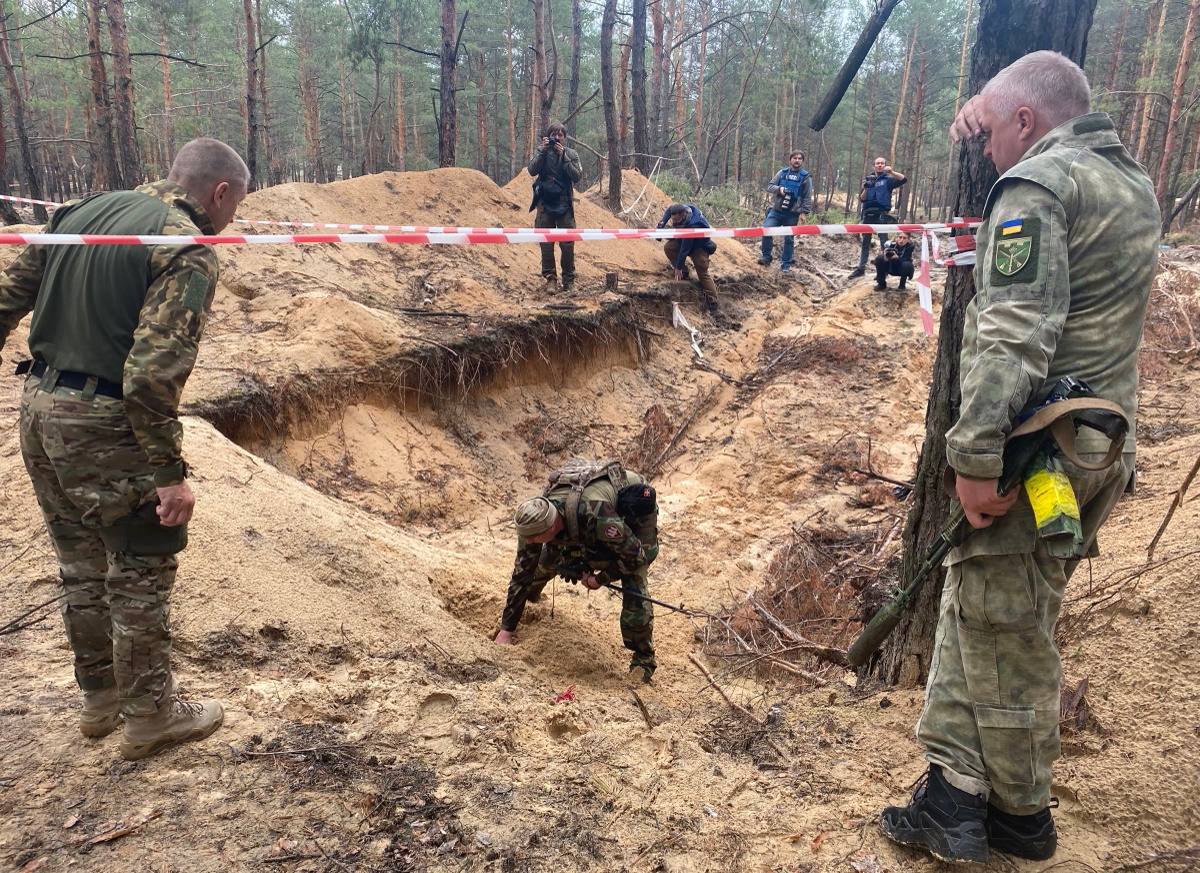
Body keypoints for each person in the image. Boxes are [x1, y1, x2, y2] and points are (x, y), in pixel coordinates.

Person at [878, 52, 1160, 864]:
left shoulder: (1039, 187)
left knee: (1008, 623)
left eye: (994, 131)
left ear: (1028, 123)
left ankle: (1021, 814)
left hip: (1037, 447)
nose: (988, 153)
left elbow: (1013, 331)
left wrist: (971, 453)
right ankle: (958, 796)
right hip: (1096, 442)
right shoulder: (1125, 181)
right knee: (983, 603)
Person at [0, 137, 250, 761]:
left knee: (80, 564)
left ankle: (100, 698)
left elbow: (4, 301)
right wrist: (169, 471)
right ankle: (149, 715)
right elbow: (151, 374)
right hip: (108, 424)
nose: (232, 221)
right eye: (235, 207)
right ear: (219, 193)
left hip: (39, 408)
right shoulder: (185, 246)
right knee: (139, 567)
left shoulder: (77, 215)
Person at [494, 460, 659, 681]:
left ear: (551, 527)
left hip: (634, 505)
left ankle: (643, 660)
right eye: (528, 538)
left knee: (634, 581)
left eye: (535, 539)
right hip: (584, 521)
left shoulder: (596, 511)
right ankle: (531, 598)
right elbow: (522, 571)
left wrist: (601, 579)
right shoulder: (533, 521)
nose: (530, 542)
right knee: (544, 561)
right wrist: (507, 629)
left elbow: (635, 556)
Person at [527, 121, 583, 293]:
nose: (557, 138)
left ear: (565, 138)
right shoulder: (541, 151)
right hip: (544, 204)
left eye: (560, 135)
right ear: (548, 136)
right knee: (546, 243)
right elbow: (531, 170)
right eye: (554, 134)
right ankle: (550, 278)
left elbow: (577, 176)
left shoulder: (571, 154)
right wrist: (543, 152)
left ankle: (569, 281)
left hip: (564, 204)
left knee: (567, 244)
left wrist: (564, 157)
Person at [849, 156, 906, 278]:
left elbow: (903, 179)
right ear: (873, 165)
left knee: (884, 244)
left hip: (881, 214)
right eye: (877, 163)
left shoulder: (888, 180)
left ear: (884, 165)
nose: (879, 165)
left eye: (882, 163)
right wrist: (866, 188)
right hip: (868, 214)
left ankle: (884, 271)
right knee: (865, 243)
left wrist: (891, 172)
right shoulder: (869, 179)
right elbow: (862, 199)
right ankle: (861, 268)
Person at [758, 150, 814, 274]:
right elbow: (770, 186)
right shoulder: (782, 173)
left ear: (802, 161)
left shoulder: (805, 177)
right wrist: (780, 189)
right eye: (795, 158)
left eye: (800, 158)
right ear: (790, 160)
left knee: (789, 238)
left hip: (793, 214)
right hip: (776, 211)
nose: (797, 160)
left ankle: (785, 265)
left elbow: (807, 196)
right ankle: (766, 257)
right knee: (766, 230)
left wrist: (804, 213)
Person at [656, 203, 719, 311]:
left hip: (700, 247)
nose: (675, 224)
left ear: (683, 215)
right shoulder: (683, 208)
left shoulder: (693, 224)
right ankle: (684, 273)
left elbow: (684, 250)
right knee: (669, 248)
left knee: (702, 273)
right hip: (686, 239)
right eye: (673, 221)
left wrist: (678, 267)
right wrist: (663, 222)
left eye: (678, 222)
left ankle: (713, 302)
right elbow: (670, 208)